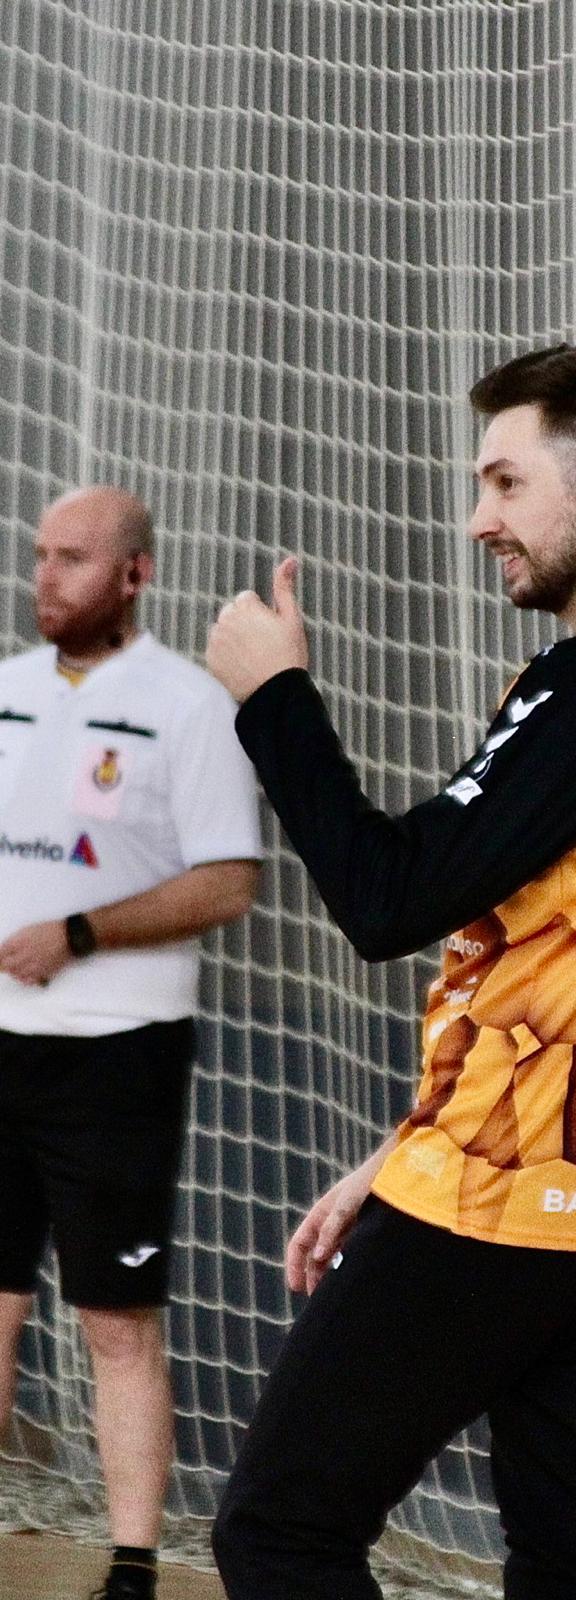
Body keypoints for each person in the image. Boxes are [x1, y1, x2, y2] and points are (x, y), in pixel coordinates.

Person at [205, 344, 576, 1600]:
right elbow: (568, 953)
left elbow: (388, 897)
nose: (480, 519)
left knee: (278, 1530)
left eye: (506, 482)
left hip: (515, 1196)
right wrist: (400, 1149)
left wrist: (273, 698)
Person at [0, 486, 262, 1600]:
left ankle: (132, 1566)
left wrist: (81, 931)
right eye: (40, 555)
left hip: (116, 1055)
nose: (45, 576)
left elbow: (228, 882)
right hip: (1, 1043)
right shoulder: (8, 691)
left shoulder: (188, 706)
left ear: (134, 575)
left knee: (113, 1321)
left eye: (71, 558)